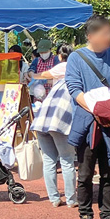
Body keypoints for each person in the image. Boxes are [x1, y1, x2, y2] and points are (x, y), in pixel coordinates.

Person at [65, 15, 110, 219]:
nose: (108, 37)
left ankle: (107, 216)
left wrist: (108, 111)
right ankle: (85, 215)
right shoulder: (76, 58)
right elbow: (75, 90)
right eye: (104, 34)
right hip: (87, 123)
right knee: (84, 173)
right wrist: (97, 110)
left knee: (109, 170)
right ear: (91, 36)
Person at [30, 45, 77, 208]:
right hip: (59, 122)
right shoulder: (74, 75)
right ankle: (71, 199)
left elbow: (44, 75)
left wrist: (31, 75)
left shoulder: (59, 78)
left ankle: (54, 198)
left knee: (49, 160)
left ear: (59, 56)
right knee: (67, 160)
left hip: (42, 120)